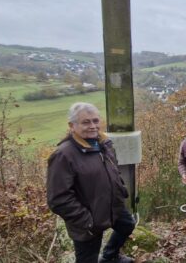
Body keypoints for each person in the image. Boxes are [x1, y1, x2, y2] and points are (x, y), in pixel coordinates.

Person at [47, 102, 135, 263]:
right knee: (87, 259)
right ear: (72, 126)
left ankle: (110, 256)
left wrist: (120, 190)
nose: (93, 126)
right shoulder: (64, 155)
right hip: (88, 220)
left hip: (113, 206)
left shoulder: (104, 144)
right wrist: (87, 220)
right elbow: (58, 199)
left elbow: (113, 170)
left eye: (95, 121)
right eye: (86, 122)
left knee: (127, 225)